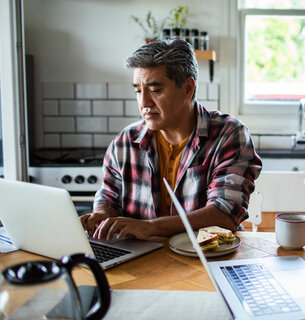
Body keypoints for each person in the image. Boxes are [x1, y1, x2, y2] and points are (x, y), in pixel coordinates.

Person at [80, 39, 262, 240]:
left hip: (205, 261)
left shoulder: (229, 135)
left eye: (155, 90)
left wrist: (149, 227)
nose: (144, 103)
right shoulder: (125, 142)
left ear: (187, 88)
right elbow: (108, 199)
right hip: (140, 262)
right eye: (138, 91)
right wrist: (100, 217)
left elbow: (225, 214)